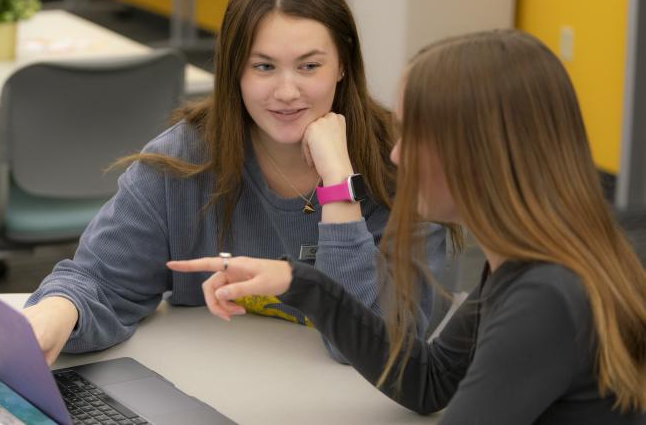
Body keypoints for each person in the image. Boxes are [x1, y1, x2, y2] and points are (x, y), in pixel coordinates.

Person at [169, 29, 646, 423]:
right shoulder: (532, 260)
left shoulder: (547, 295)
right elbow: (430, 381)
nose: (396, 155)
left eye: (414, 136)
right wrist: (300, 282)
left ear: (479, 154)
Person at [24, 0, 446, 365]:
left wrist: (339, 183)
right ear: (234, 71)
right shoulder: (183, 160)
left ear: (342, 66)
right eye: (263, 66)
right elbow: (97, 280)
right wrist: (57, 312)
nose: (286, 91)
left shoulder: (404, 164)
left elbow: (382, 343)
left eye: (309, 66)